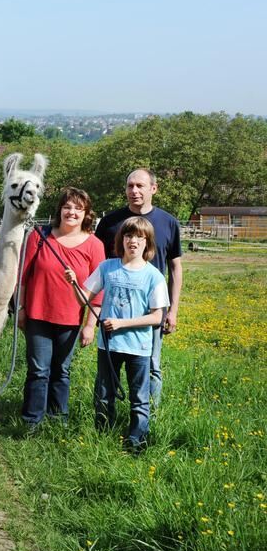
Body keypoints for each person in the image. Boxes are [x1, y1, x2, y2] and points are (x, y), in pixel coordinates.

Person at [65, 217, 169, 451]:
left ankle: (136, 440)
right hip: (108, 346)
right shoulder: (107, 268)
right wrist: (73, 283)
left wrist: (122, 323)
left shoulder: (154, 277)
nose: (133, 241)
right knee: (103, 394)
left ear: (147, 243)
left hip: (139, 348)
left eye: (139, 237)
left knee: (139, 398)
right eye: (129, 236)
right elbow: (84, 299)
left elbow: (156, 317)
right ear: (121, 239)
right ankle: (102, 435)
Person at [17, 187, 105, 429]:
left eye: (78, 208)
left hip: (70, 318)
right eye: (67, 207)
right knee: (38, 370)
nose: (72, 212)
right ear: (60, 210)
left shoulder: (94, 245)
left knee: (61, 371)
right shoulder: (39, 236)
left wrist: (90, 325)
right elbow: (23, 275)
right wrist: (21, 308)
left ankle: (58, 421)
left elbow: (98, 290)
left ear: (86, 213)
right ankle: (31, 421)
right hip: (38, 314)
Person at [94, 169, 182, 410]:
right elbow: (98, 267)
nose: (134, 191)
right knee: (109, 368)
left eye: (140, 186)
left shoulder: (168, 223)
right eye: (130, 186)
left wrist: (172, 311)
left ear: (154, 188)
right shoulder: (110, 223)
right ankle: (105, 419)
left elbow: (175, 267)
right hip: (115, 310)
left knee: (152, 365)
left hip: (151, 311)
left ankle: (148, 417)